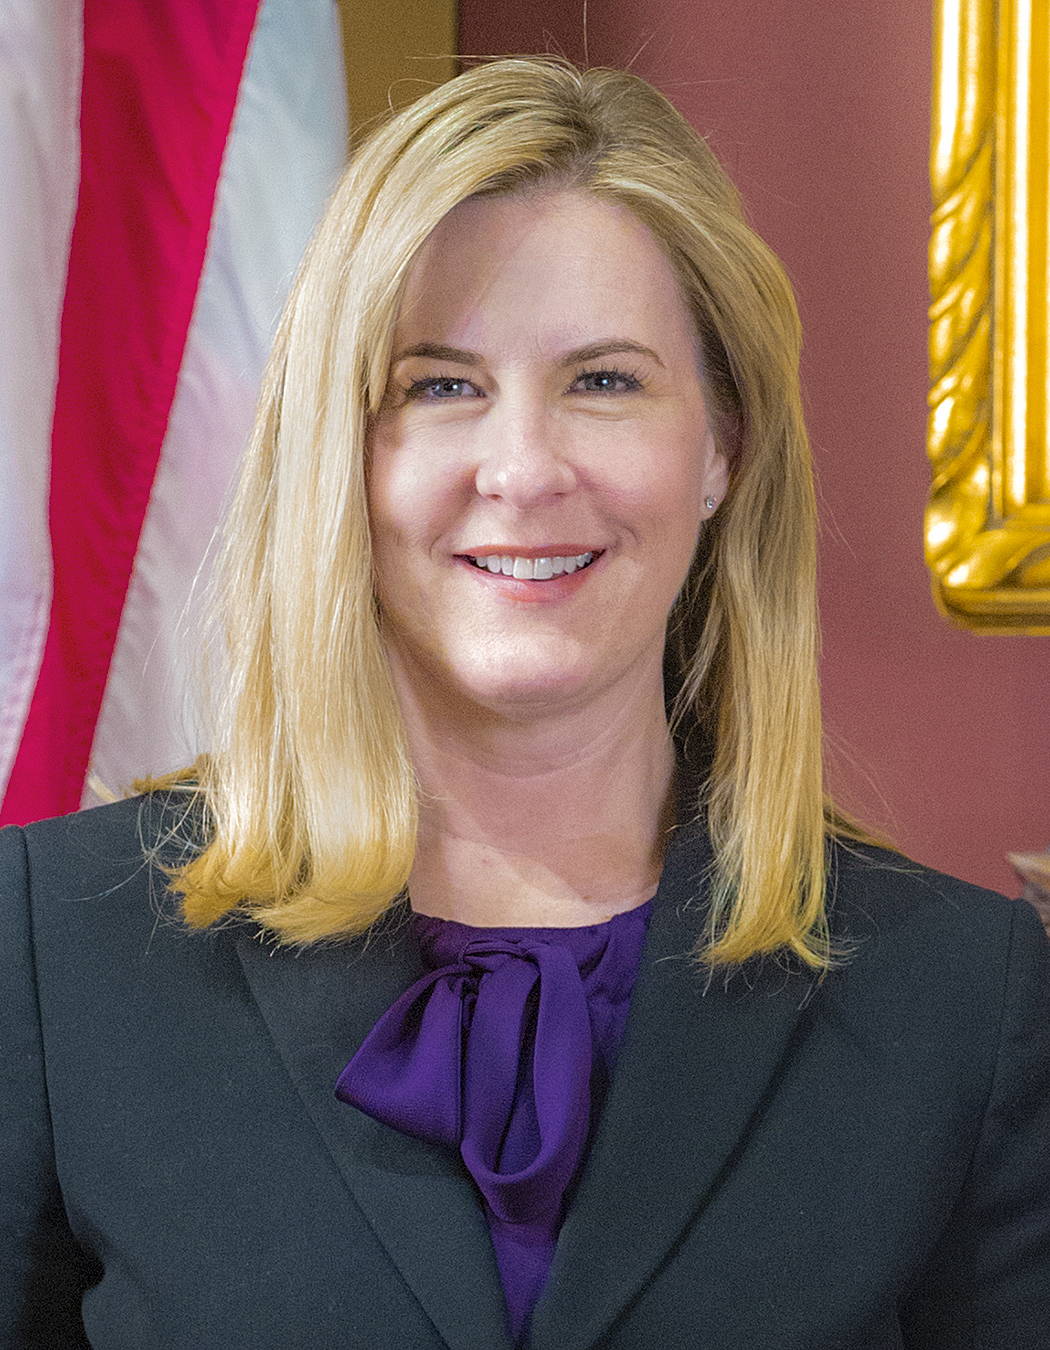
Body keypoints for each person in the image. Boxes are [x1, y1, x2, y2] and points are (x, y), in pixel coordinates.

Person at [2, 57, 1049, 1350]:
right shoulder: (53, 950)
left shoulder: (964, 996)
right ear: (340, 453)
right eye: (439, 385)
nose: (523, 469)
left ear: (721, 447)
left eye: (603, 380)